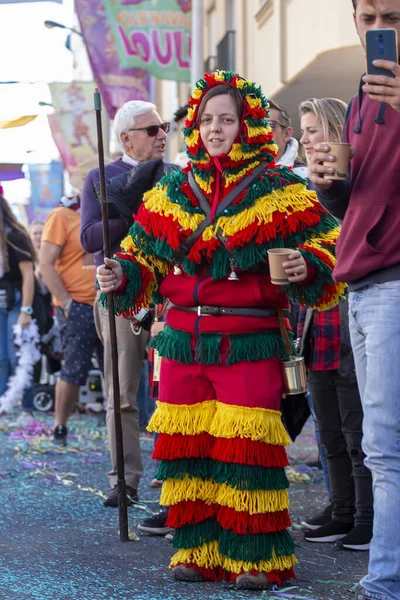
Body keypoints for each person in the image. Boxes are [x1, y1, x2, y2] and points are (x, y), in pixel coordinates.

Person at [97, 70, 346, 590]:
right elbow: (141, 259)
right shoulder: (170, 190)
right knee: (188, 448)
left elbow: (331, 246)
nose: (215, 128)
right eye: (207, 119)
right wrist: (120, 272)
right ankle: (197, 548)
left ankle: (256, 557)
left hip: (249, 340)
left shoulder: (280, 189)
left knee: (246, 451)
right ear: (195, 127)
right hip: (182, 341)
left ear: (247, 124)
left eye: (227, 119)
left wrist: (306, 263)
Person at [309, 2, 400, 598]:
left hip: (393, 282)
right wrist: (331, 186)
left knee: (385, 444)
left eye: (389, 14)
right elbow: (359, 206)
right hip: (361, 282)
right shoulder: (364, 95)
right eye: (365, 14)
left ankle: (384, 581)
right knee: (376, 443)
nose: (375, 26)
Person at [80, 100, 170, 507]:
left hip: (171, 295)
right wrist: (132, 210)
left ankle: (178, 477)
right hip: (121, 296)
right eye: (152, 130)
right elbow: (88, 237)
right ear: (126, 138)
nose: (162, 135)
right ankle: (124, 478)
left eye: (163, 127)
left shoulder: (175, 176)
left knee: (176, 391)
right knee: (122, 392)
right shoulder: (102, 176)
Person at [298, 97, 373, 551]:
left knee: (357, 427)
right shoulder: (304, 191)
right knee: (327, 427)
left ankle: (366, 517)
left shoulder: (354, 181)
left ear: (332, 130)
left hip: (349, 313)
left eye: (311, 130)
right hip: (315, 319)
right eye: (303, 132)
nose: (305, 140)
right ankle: (342, 508)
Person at [39, 192, 100, 446]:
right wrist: (66, 303)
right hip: (78, 306)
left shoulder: (110, 213)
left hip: (111, 303)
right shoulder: (62, 215)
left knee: (117, 371)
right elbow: (45, 262)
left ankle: (121, 428)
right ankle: (60, 427)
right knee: (74, 368)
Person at [0, 193, 36, 419]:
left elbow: (28, 276)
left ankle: (28, 409)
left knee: (19, 355)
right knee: (1, 358)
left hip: (16, 303)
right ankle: (3, 407)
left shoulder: (15, 237)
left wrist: (26, 310)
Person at [267, 100, 308, 178]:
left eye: (268, 125)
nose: (260, 133)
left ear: (286, 134)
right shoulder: (240, 175)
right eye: (255, 127)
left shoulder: (305, 178)